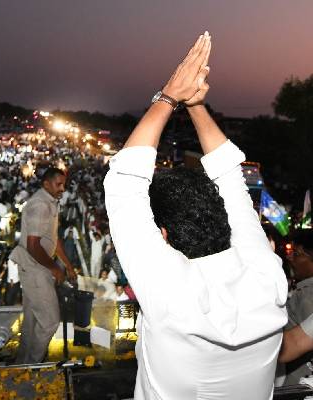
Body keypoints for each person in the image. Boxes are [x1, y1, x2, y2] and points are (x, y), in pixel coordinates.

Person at [103, 32, 287, 399]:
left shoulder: (169, 291)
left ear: (165, 235)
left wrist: (170, 96)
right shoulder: (268, 276)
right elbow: (233, 180)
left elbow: (124, 183)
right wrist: (194, 103)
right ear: (223, 218)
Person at [9, 167, 77, 364]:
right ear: (46, 184)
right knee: (49, 322)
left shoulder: (50, 202)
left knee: (31, 322)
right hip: (35, 270)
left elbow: (53, 240)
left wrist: (68, 266)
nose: (62, 188)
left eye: (64, 184)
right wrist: (55, 269)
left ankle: (22, 365)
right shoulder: (40, 205)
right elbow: (33, 246)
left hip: (38, 269)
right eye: (58, 184)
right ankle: (33, 366)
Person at [280, 229, 313, 384]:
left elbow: (294, 344)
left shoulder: (307, 296)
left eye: (297, 254)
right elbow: (296, 341)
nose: (290, 258)